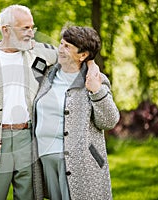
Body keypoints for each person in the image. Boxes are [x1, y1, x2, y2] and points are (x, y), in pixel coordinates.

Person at [0, 5, 100, 199]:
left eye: (32, 27)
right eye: (24, 28)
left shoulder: (40, 52)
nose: (31, 33)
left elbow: (75, 55)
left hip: (28, 139)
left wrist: (91, 63)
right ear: (6, 29)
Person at [32, 25, 120, 200]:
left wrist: (96, 91)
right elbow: (30, 51)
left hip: (79, 162)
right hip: (45, 158)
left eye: (67, 46)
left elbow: (110, 120)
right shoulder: (46, 73)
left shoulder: (95, 79)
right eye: (61, 43)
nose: (60, 49)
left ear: (83, 55)